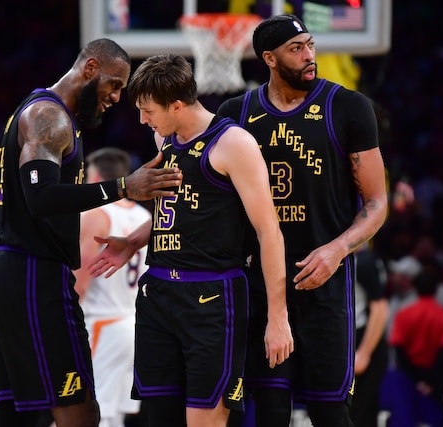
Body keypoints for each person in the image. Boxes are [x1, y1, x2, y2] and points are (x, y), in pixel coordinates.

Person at [0, 38, 182, 427]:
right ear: (90, 69)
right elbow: (40, 197)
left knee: (22, 412)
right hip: (29, 272)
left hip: (4, 267)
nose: (117, 97)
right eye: (114, 84)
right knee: (81, 410)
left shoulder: (48, 114)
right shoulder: (47, 117)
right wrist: (122, 187)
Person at [87, 53, 293, 427]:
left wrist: (278, 317)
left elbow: (269, 231)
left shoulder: (233, 144)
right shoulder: (164, 138)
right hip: (158, 294)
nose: (142, 119)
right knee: (158, 418)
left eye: (148, 110)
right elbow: (182, 212)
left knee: (206, 420)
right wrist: (133, 240)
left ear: (177, 105)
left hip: (212, 297)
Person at [216, 14, 388, 427]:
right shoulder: (235, 113)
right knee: (271, 411)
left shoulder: (348, 106)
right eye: (297, 49)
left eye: (310, 45)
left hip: (325, 285)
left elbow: (377, 201)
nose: (310, 56)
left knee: (330, 411)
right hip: (260, 286)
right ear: (269, 58)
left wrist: (337, 248)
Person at [73, 147, 152, 427]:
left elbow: (79, 277)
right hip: (134, 324)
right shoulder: (145, 218)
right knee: (114, 413)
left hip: (102, 323)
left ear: (95, 177)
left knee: (93, 411)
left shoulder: (96, 213)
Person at [387, 265, 443, 427]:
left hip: (408, 377)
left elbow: (398, 348)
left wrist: (415, 379)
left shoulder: (404, 314)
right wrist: (431, 382)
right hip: (436, 379)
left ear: (415, 287)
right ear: (436, 289)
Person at [350, 244, 389, 427]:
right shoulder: (363, 258)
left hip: (365, 341)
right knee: (365, 412)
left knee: (357, 413)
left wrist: (364, 352)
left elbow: (380, 308)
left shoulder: (364, 261)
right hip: (357, 340)